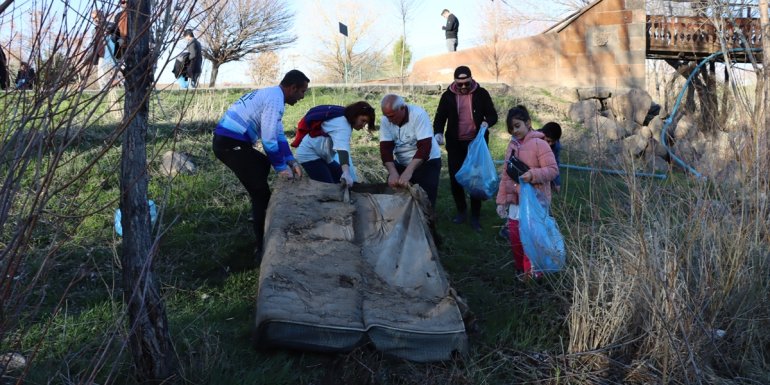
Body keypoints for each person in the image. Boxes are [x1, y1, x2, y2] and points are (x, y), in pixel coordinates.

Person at [212, 69, 309, 257]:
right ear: (292, 88)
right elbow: (270, 141)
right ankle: (262, 247)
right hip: (229, 144)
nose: (302, 97)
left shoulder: (274, 96)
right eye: (302, 91)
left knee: (262, 165)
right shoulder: (274, 101)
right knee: (261, 194)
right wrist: (281, 168)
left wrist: (290, 160)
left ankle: (258, 218)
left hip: (232, 142)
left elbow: (278, 134)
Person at [495, 105, 558, 278]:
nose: (514, 131)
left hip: (535, 201)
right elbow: (506, 175)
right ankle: (520, 270)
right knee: (515, 237)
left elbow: (552, 170)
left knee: (533, 238)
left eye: (517, 126)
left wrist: (533, 175)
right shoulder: (512, 146)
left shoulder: (540, 144)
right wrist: (501, 201)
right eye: (511, 129)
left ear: (528, 123)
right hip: (515, 202)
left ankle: (534, 274)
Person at [433, 65, 498, 232]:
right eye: (460, 84)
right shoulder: (447, 96)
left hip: (476, 144)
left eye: (466, 84)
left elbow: (493, 114)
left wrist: (486, 122)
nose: (463, 87)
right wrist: (438, 133)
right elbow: (440, 117)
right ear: (455, 82)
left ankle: (475, 216)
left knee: (475, 180)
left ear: (471, 80)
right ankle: (461, 211)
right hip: (455, 143)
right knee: (456, 178)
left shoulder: (481, 93)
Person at [379, 94, 442, 208]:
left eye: (392, 116)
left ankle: (428, 222)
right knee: (398, 198)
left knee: (425, 199)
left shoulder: (418, 115)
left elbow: (424, 147)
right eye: (386, 116)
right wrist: (393, 172)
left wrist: (408, 172)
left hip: (427, 161)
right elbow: (385, 149)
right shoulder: (385, 120)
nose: (389, 120)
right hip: (402, 161)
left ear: (402, 108)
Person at [294, 101, 375, 185]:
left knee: (339, 179)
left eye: (366, 123)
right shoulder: (343, 124)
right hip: (309, 154)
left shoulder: (342, 117)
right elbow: (342, 151)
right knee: (329, 187)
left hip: (324, 156)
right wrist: (346, 173)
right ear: (355, 115)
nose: (363, 125)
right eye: (363, 120)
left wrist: (345, 174)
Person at [90, 10, 120, 90]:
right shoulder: (94, 30)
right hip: (101, 55)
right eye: (93, 18)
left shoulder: (112, 26)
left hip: (112, 54)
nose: (95, 20)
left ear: (102, 16)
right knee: (100, 75)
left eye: (97, 17)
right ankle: (103, 91)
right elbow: (93, 44)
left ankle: (116, 87)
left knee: (113, 72)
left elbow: (120, 38)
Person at [538, 122, 563, 193]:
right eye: (548, 141)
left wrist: (557, 183)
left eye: (553, 142)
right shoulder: (532, 138)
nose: (549, 144)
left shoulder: (555, 147)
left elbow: (555, 164)